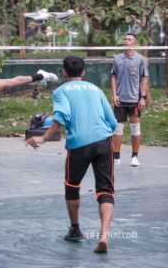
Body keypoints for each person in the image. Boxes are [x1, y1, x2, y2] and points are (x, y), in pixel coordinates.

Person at [26, 56, 117, 253]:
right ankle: (104, 236)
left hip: (79, 145)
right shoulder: (96, 89)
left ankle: (75, 230)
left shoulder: (60, 91)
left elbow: (62, 116)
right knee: (105, 191)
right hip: (103, 141)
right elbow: (112, 122)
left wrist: (43, 138)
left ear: (64, 73)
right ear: (83, 72)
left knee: (72, 186)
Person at [111, 33, 149, 166]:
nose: (126, 41)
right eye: (125, 39)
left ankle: (135, 157)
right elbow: (114, 77)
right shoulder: (117, 59)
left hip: (135, 100)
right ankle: (116, 157)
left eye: (129, 39)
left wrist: (143, 97)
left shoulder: (140, 60)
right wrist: (115, 94)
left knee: (135, 129)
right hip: (120, 100)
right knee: (117, 130)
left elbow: (144, 78)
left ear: (135, 43)